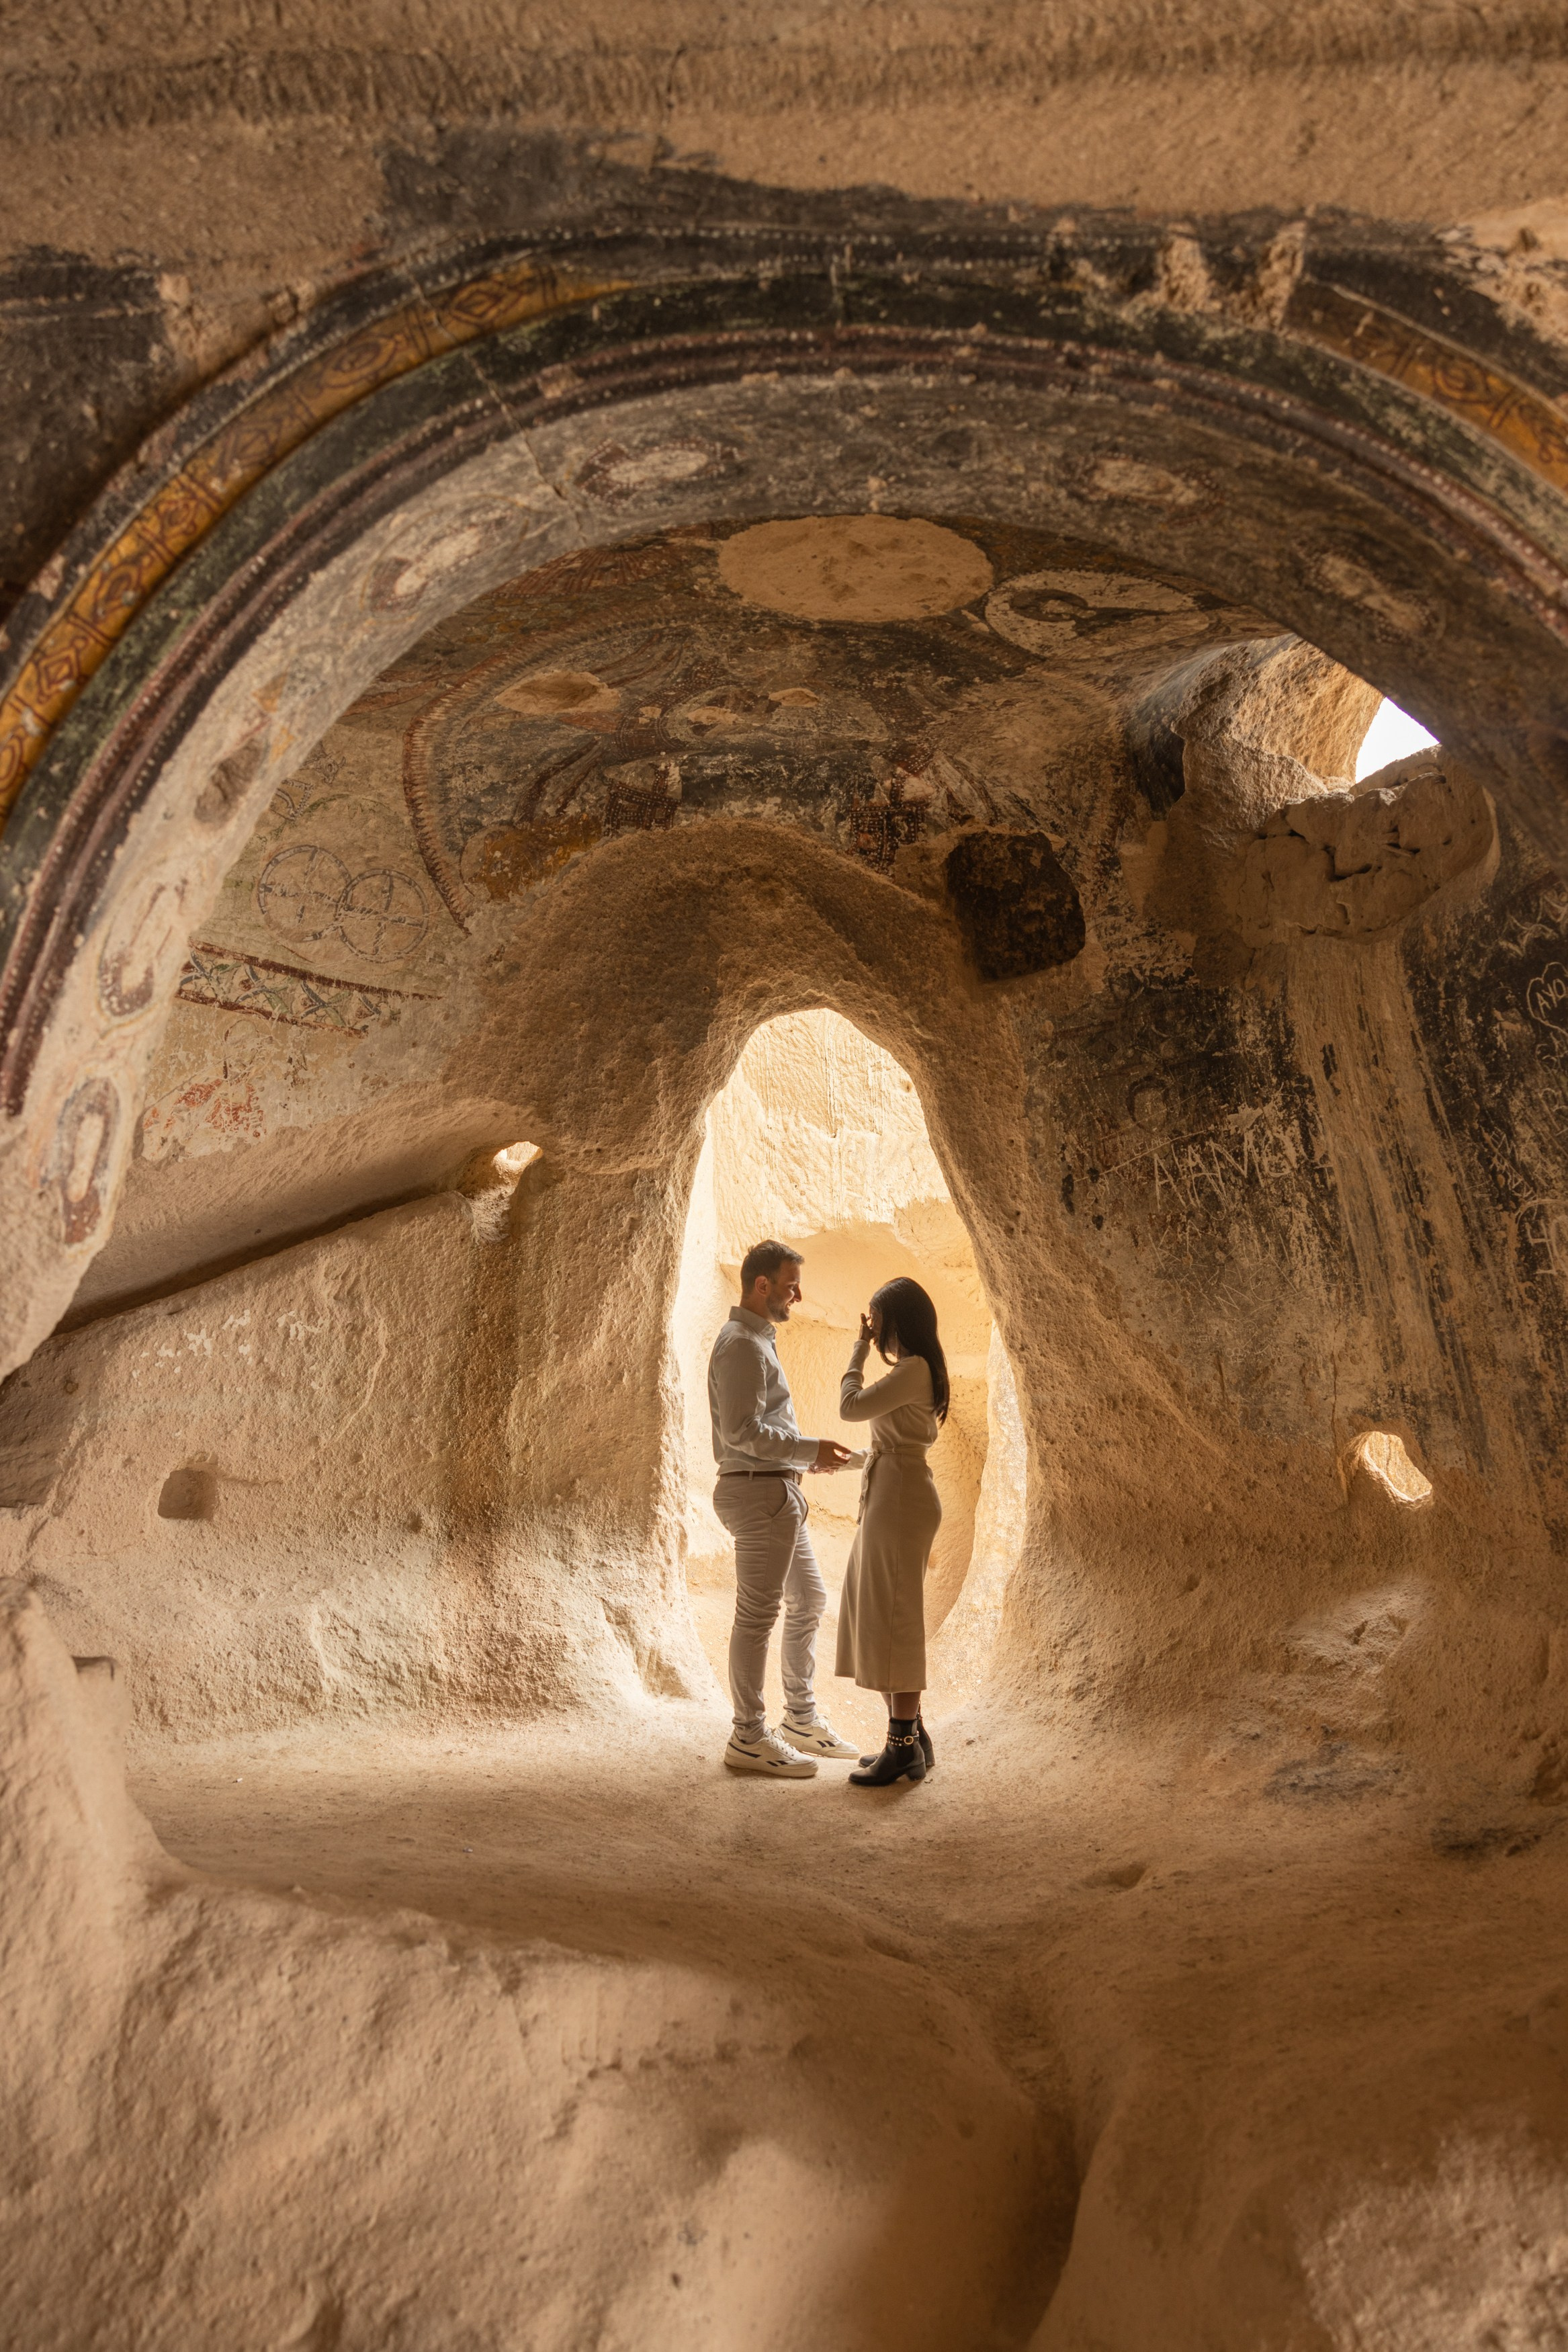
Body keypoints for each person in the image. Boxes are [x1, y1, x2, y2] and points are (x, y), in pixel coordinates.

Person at [708, 1239, 862, 1777]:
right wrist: (806, 1450)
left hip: (774, 1489)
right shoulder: (742, 1346)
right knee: (757, 1615)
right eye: (791, 1284)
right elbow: (741, 1432)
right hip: (758, 1493)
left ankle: (799, 1719)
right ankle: (748, 1737)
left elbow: (757, 1428)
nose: (799, 1294)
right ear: (762, 1284)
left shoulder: (755, 1342)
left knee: (809, 1597)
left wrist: (809, 1460)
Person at [836, 1276, 949, 1788]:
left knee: (896, 1620)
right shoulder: (914, 1370)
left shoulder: (915, 1368)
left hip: (900, 1499)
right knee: (877, 1613)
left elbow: (851, 1406)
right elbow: (891, 1440)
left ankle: (901, 1746)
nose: (873, 1328)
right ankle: (913, 1738)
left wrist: (858, 1351)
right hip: (891, 1491)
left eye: (877, 1321)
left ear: (897, 1321)